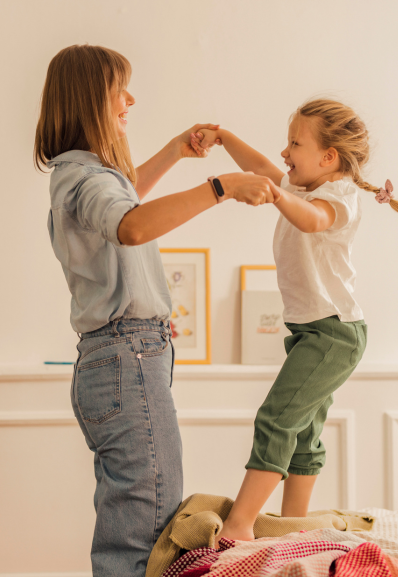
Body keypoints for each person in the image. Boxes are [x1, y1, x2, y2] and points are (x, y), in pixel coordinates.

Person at [34, 44, 278, 577]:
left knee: (134, 517)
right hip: (129, 355)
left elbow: (126, 203)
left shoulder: (79, 177)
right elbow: (133, 225)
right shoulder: (91, 181)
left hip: (113, 358)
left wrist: (172, 151)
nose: (130, 100)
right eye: (120, 90)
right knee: (144, 532)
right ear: (91, 100)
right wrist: (221, 187)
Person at [191, 98, 397, 544]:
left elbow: (312, 220)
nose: (285, 152)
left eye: (295, 143)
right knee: (301, 431)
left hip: (334, 333)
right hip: (313, 330)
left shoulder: (336, 197)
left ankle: (241, 524)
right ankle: (292, 527)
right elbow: (263, 167)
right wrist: (225, 138)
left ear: (328, 158)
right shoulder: (305, 183)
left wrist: (279, 194)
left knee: (276, 418)